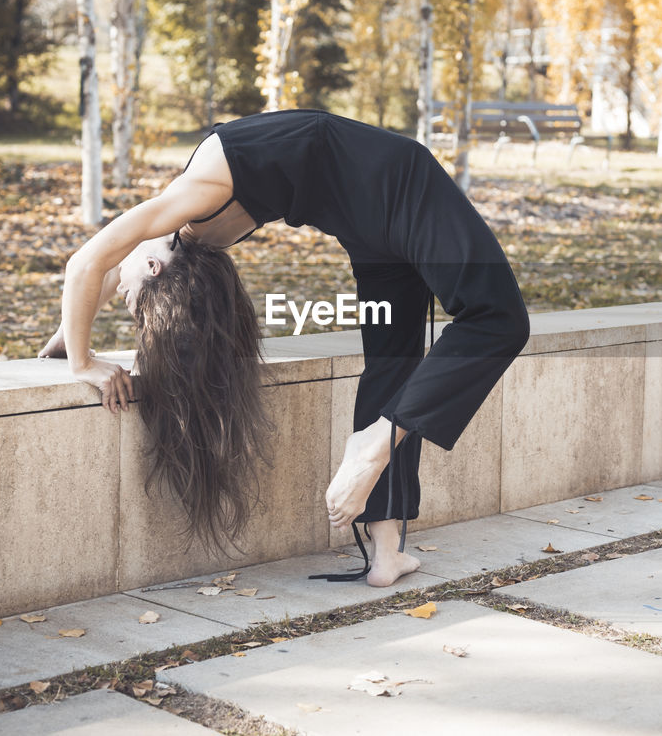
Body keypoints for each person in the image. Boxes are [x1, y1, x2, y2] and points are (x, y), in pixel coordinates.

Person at [40, 109, 529, 587]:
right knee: (438, 345)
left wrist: (80, 357)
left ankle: (378, 462)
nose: (117, 294)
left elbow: (89, 263)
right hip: (386, 202)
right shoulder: (187, 216)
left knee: (451, 336)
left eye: (126, 299)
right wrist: (71, 337)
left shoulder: (193, 205)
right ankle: (386, 551)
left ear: (152, 268)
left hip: (385, 205)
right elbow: (104, 266)